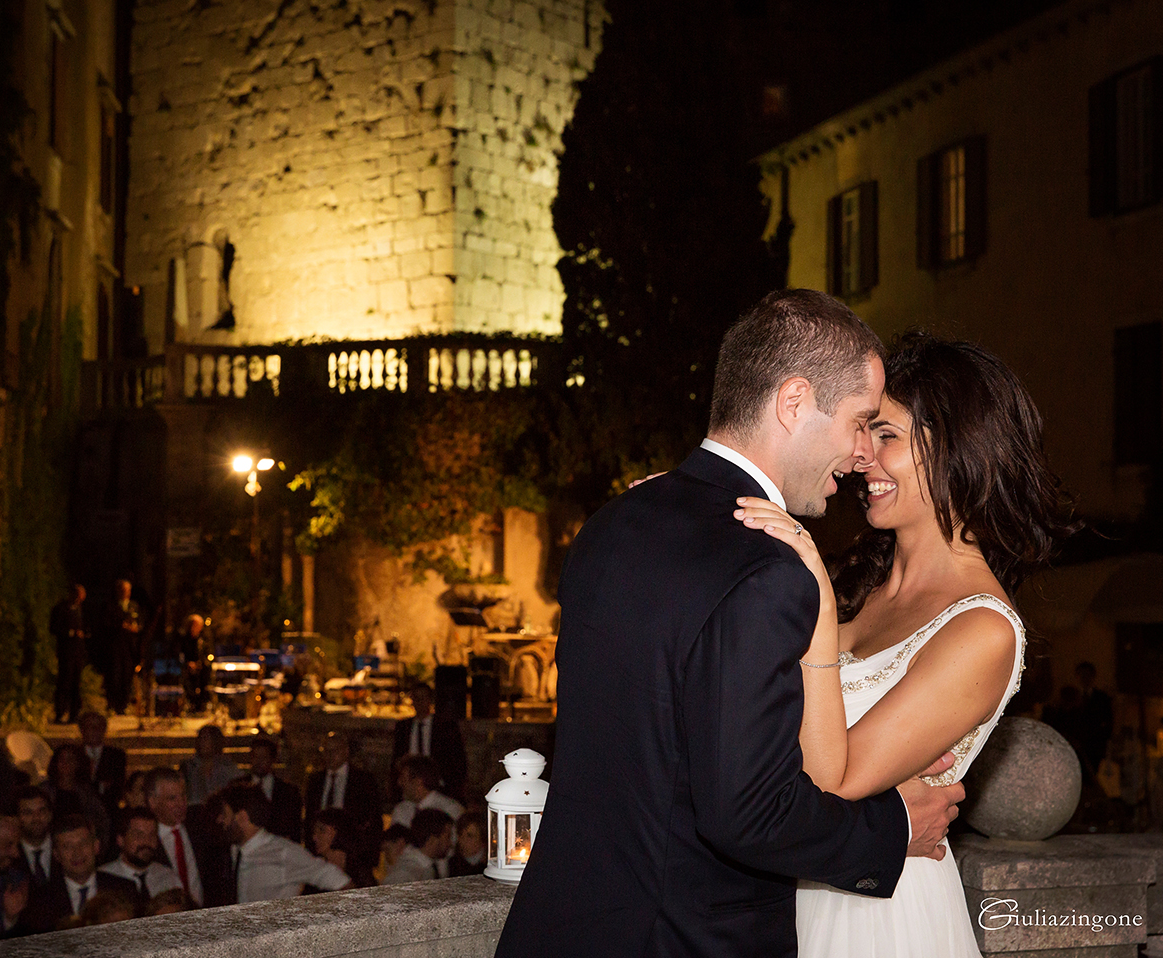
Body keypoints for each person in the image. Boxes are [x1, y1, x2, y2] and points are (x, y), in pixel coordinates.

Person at [495, 291, 963, 958]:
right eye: (860, 422)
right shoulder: (767, 570)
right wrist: (889, 830)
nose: (862, 453)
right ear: (795, 402)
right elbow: (748, 812)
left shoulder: (611, 524)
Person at [734, 332, 1078, 957]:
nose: (861, 456)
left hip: (879, 920)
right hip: (792, 895)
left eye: (885, 436)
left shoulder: (984, 629)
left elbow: (832, 782)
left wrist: (810, 589)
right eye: (863, 432)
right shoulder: (860, 591)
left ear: (956, 447)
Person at [214, 784, 352, 903]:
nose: (220, 820)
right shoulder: (233, 852)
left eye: (225, 815)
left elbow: (338, 880)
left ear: (242, 817)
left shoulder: (283, 852)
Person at [22, 814, 138, 934]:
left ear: (96, 847)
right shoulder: (41, 901)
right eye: (67, 847)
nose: (77, 853)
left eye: (83, 844)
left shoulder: (124, 890)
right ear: (56, 854)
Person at [144, 766, 231, 907]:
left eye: (183, 796)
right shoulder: (147, 840)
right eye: (172, 798)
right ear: (153, 802)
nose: (181, 804)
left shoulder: (201, 826)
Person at [305, 733, 383, 858]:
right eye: (326, 751)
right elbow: (310, 815)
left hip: (351, 848)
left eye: (334, 750)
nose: (330, 755)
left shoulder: (362, 780)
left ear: (345, 751)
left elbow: (373, 818)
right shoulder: (316, 780)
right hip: (320, 847)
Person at [392, 683, 467, 800]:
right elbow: (396, 757)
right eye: (416, 698)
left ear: (430, 700)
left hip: (440, 786)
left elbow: (457, 760)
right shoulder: (404, 727)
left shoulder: (446, 727)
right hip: (410, 787)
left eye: (423, 698)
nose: (420, 702)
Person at [99, 808, 183, 902]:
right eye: (139, 835)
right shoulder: (104, 879)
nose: (146, 841)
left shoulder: (168, 877)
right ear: (121, 840)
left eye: (152, 835)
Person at [247, 738, 302, 842]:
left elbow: (294, 828)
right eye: (255, 756)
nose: (259, 761)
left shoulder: (288, 791)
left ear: (273, 759)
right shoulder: (238, 787)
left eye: (264, 757)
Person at [382, 808, 453, 884]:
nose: (450, 843)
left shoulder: (431, 867)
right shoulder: (406, 873)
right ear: (432, 839)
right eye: (447, 837)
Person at [390, 756, 463, 829]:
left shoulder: (450, 809)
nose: (399, 783)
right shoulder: (401, 810)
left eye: (403, 779)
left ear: (418, 781)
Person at [103, 579, 142, 714]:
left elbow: (138, 623)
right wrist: (120, 626)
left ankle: (123, 705)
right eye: (123, 590)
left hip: (129, 647)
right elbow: (106, 624)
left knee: (127, 676)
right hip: (115, 646)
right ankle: (112, 703)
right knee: (115, 676)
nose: (126, 593)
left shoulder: (133, 606)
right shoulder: (111, 606)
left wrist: (134, 628)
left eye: (128, 590)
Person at [50, 584, 88, 724]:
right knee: (64, 682)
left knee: (75, 683)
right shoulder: (60, 609)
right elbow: (54, 627)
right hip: (65, 651)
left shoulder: (79, 609)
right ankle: (60, 712)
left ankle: (74, 713)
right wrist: (70, 633)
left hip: (77, 652)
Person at [181, 724, 244, 805]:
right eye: (201, 739)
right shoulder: (188, 768)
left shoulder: (229, 768)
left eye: (207, 739)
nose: (202, 743)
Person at [79, 711, 127, 811]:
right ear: (82, 730)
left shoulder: (116, 756)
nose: (94, 731)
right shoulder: (74, 754)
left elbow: (117, 787)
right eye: (89, 726)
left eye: (98, 727)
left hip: (107, 809)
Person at [14, 786, 59, 888]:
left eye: (41, 811)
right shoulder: (10, 856)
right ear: (17, 818)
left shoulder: (62, 849)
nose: (36, 818)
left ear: (50, 814)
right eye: (28, 813)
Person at [446, 810, 487, 877]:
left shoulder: (492, 865)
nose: (462, 840)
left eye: (470, 836)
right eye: (460, 834)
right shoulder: (451, 865)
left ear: (483, 839)